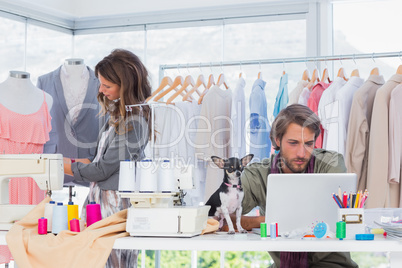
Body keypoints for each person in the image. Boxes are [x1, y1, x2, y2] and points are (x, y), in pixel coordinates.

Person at [233, 104, 358, 267]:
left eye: (308, 143)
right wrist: (261, 221)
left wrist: (272, 224)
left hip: (331, 264)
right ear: (277, 140)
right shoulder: (258, 174)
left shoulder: (331, 164)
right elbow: (220, 218)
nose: (301, 153)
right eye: (293, 143)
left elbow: (338, 220)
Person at [63, 49, 151, 268]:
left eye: (107, 86)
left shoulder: (135, 123)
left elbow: (101, 170)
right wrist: (64, 162)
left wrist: (59, 166)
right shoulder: (116, 116)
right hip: (99, 199)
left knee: (113, 262)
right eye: (100, 83)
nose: (100, 90)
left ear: (125, 84)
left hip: (114, 204)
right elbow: (97, 161)